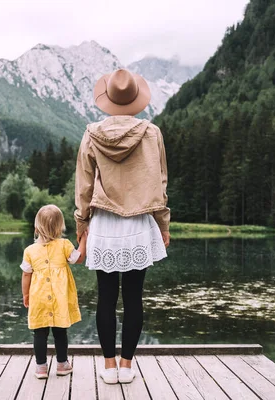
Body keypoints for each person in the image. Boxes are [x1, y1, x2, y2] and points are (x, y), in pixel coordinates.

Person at [74, 68, 170, 384]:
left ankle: (108, 365)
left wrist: (81, 223)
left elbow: (83, 185)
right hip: (140, 224)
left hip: (104, 224)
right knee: (133, 298)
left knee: (105, 297)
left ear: (109, 99)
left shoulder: (91, 133)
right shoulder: (152, 133)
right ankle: (127, 366)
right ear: (135, 99)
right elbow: (160, 183)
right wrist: (163, 224)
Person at [21, 204, 87, 379]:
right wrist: (84, 239)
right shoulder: (64, 245)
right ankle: (62, 364)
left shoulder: (29, 251)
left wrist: (26, 294)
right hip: (60, 298)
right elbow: (78, 259)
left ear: (36, 228)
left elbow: (26, 275)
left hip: (39, 297)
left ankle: (41, 368)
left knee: (39, 332)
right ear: (60, 227)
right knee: (60, 332)